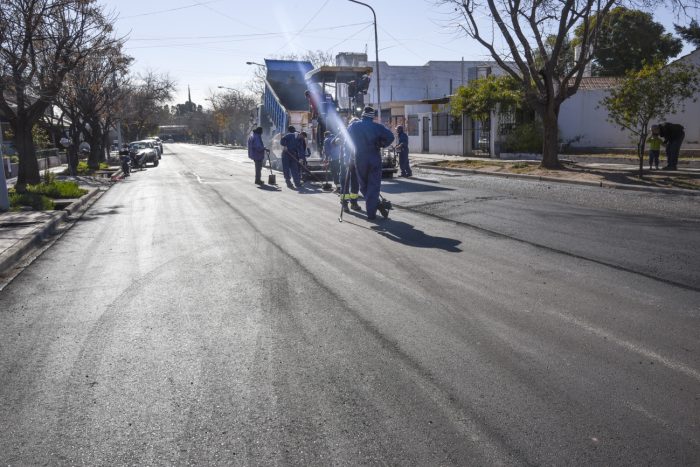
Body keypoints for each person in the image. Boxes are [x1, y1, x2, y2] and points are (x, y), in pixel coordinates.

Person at [347, 107, 395, 220]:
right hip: (374, 157)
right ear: (372, 116)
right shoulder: (378, 127)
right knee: (373, 185)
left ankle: (374, 205)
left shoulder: (354, 126)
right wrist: (382, 144)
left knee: (363, 185)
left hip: (360, 158)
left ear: (363, 115)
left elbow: (346, 138)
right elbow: (391, 137)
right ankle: (372, 210)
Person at [338, 129, 362, 212]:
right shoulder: (345, 133)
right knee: (345, 183)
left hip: (355, 163)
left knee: (355, 183)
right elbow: (335, 141)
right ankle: (344, 204)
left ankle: (354, 203)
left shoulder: (359, 135)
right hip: (345, 163)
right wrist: (346, 161)